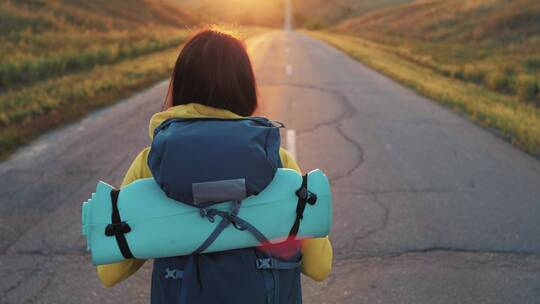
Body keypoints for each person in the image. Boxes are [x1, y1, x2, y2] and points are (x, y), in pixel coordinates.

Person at [96, 27, 333, 303]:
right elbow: (319, 267)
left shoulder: (151, 164)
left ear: (181, 84)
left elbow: (110, 271)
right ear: (245, 86)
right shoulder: (278, 163)